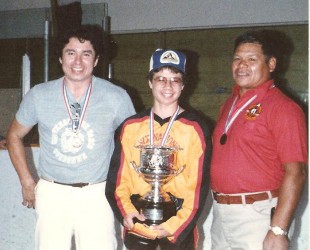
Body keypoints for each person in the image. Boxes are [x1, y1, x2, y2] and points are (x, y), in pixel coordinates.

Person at [6, 25, 135, 250]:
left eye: (86, 54)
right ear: (60, 57)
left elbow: (136, 143)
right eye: (70, 53)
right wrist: (27, 180)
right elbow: (14, 135)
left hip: (97, 193)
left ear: (96, 61)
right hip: (52, 193)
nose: (78, 61)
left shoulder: (117, 97)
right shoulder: (39, 94)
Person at [210, 30, 307, 250]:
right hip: (222, 213)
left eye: (251, 59)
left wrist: (278, 229)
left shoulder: (284, 108)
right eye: (237, 59)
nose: (242, 65)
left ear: (271, 64)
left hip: (259, 216)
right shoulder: (229, 104)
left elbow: (297, 172)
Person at [106, 49, 212, 250]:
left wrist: (174, 226)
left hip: (178, 224)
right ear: (150, 82)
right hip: (139, 219)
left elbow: (198, 187)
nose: (167, 86)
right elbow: (118, 180)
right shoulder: (130, 127)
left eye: (175, 79)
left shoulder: (196, 128)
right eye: (160, 78)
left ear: (183, 85)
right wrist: (127, 213)